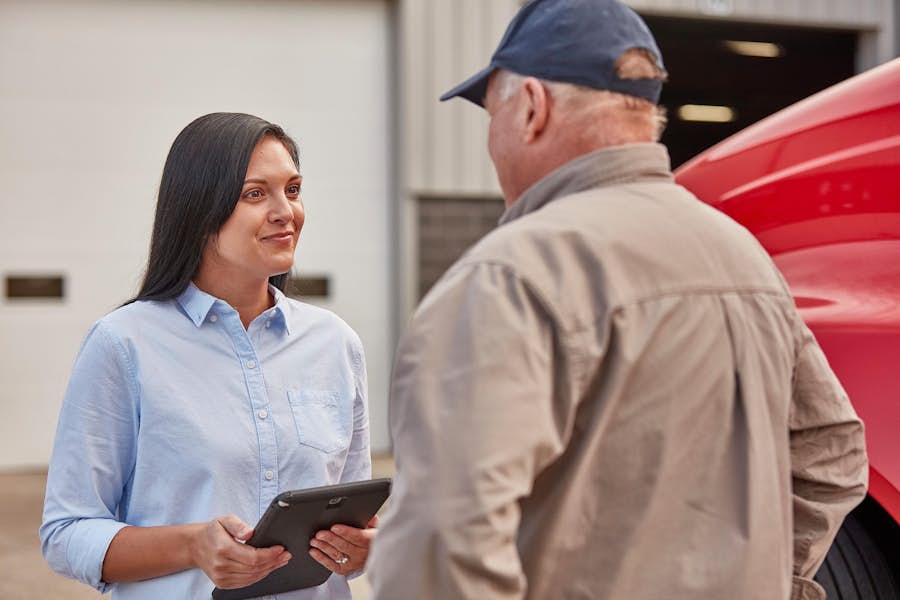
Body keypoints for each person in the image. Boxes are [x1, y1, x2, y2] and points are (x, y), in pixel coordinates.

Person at [367, 1, 868, 599]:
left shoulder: (508, 277)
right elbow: (831, 454)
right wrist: (770, 579)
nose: (491, 140)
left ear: (532, 107)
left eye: (492, 114)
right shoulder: (745, 259)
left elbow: (442, 546)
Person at [40, 113, 376, 600]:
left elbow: (353, 518)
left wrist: (365, 549)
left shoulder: (335, 343)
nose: (286, 212)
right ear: (198, 209)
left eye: (293, 189)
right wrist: (193, 546)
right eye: (255, 194)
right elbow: (66, 532)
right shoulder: (123, 344)